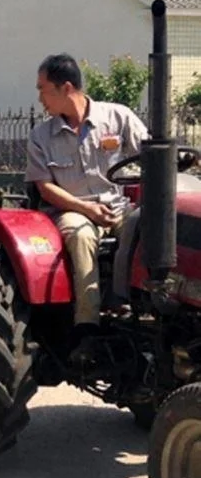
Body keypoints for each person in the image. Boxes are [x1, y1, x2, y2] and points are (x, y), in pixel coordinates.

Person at [24, 53, 148, 362]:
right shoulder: (41, 136)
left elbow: (150, 154)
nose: (40, 98)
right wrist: (86, 209)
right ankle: (87, 325)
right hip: (70, 210)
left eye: (43, 89)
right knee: (81, 234)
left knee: (146, 226)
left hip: (117, 206)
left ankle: (140, 307)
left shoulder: (118, 118)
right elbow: (45, 188)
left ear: (66, 88)